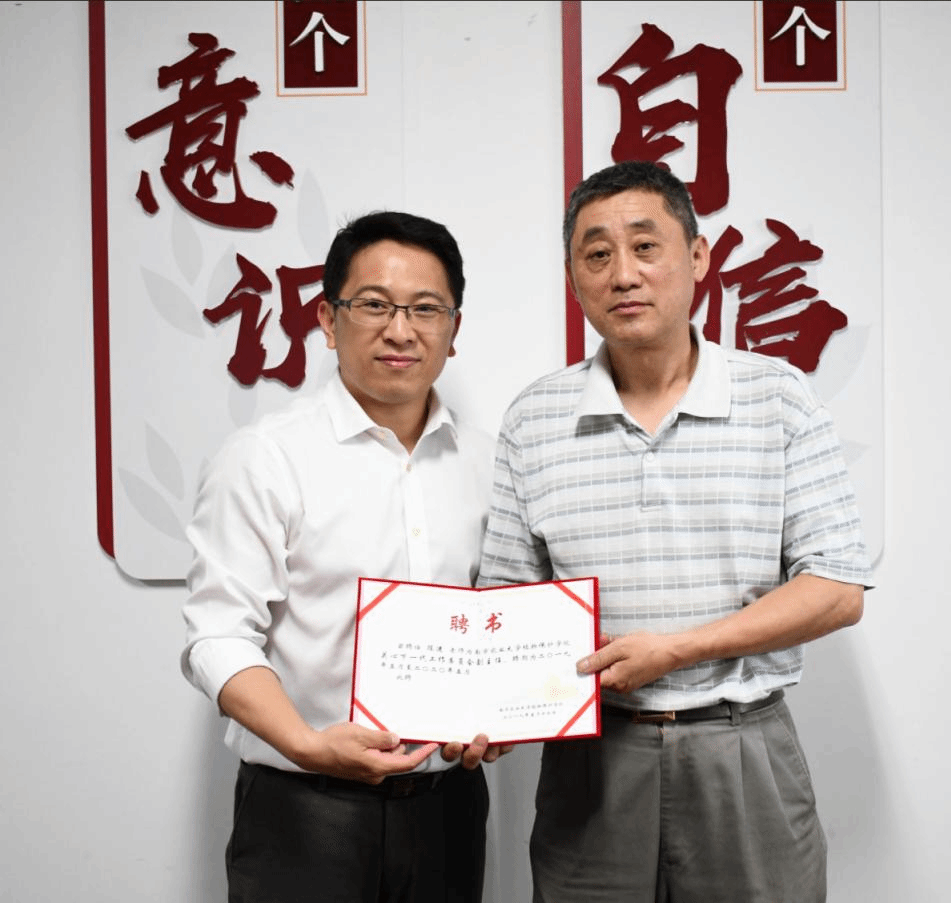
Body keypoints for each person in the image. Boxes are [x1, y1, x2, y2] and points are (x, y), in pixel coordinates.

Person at [476, 160, 874, 903]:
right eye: (597, 254)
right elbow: (506, 600)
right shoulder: (535, 418)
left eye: (645, 246)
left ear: (697, 257)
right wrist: (484, 705)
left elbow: (836, 588)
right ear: (573, 278)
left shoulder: (778, 397)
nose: (623, 274)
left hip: (741, 746)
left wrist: (678, 649)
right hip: (594, 757)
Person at [182, 210, 509, 903]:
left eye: (426, 308)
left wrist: (505, 714)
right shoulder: (265, 458)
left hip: (449, 808)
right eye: (375, 305)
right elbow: (217, 635)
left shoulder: (488, 465)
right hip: (305, 808)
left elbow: (501, 624)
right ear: (328, 320)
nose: (401, 330)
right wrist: (308, 743)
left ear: (453, 330)